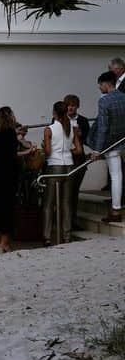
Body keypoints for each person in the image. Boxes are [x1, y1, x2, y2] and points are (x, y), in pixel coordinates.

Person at [42, 100, 81, 244]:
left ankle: (46, 236)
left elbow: (47, 151)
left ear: (54, 113)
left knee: (48, 203)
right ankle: (67, 235)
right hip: (69, 165)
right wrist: (67, 149)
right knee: (66, 203)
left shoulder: (49, 129)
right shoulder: (73, 128)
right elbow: (79, 150)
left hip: (54, 165)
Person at [89, 71, 125, 224]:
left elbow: (103, 127)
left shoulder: (104, 101)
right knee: (119, 176)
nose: (98, 87)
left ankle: (116, 209)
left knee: (116, 176)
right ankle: (116, 209)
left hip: (111, 144)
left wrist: (97, 150)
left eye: (100, 84)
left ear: (106, 83)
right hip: (123, 140)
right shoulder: (124, 97)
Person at [0, 107, 21, 253]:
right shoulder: (10, 133)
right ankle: (5, 242)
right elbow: (13, 154)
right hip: (8, 172)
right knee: (8, 208)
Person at [63, 94, 90, 227]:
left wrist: (81, 135)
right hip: (65, 157)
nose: (70, 108)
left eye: (73, 105)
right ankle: (65, 220)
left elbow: (88, 139)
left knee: (74, 190)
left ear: (77, 106)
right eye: (68, 105)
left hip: (79, 158)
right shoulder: (59, 119)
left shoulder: (83, 121)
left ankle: (72, 220)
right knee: (65, 190)